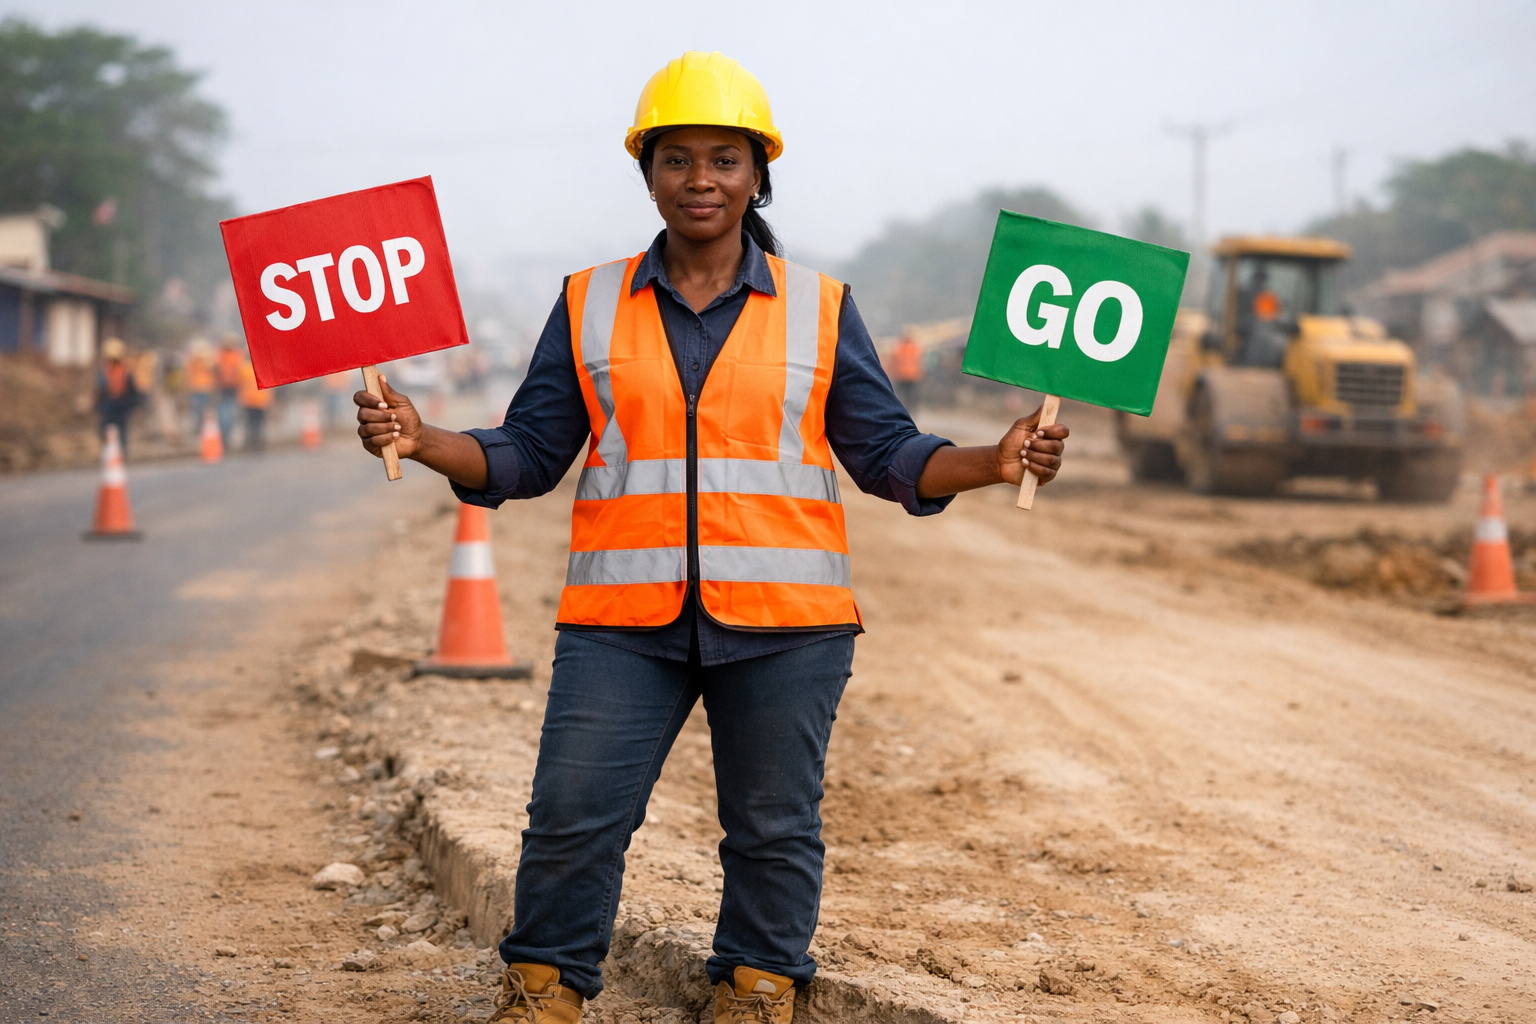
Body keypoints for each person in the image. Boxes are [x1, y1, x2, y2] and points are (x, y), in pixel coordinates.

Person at [355, 51, 1068, 1024]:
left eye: (724, 160)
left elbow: (890, 455)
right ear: (646, 173)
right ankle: (543, 990)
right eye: (678, 159)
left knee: (773, 827)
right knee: (572, 817)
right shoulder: (588, 303)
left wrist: (994, 456)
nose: (701, 180)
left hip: (787, 619)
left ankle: (756, 987)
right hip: (622, 618)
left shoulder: (822, 309)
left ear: (759, 173)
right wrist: (425, 437)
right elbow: (524, 455)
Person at [96, 337, 140, 456]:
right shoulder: (105, 369)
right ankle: (109, 450)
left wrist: (134, 402)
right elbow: (101, 387)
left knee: (121, 427)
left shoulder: (125, 368)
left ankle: (122, 451)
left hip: (121, 401)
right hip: (110, 401)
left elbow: (131, 386)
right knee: (106, 427)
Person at [214, 333, 243, 448]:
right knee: (229, 412)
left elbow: (215, 369)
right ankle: (225, 436)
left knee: (224, 411)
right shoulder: (237, 355)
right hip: (231, 386)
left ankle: (224, 436)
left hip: (225, 386)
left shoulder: (220, 354)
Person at [237, 354, 271, 452]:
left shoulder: (243, 369)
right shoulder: (263, 367)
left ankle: (250, 443)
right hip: (261, 401)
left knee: (250, 423)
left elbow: (238, 383)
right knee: (259, 423)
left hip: (248, 401)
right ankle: (259, 443)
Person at [184, 338, 216, 435]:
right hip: (199, 387)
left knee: (199, 407)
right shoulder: (195, 359)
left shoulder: (203, 359)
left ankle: (200, 425)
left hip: (202, 387)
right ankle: (199, 425)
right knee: (199, 408)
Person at [889, 331, 925, 410]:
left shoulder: (899, 347)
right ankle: (910, 407)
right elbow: (919, 361)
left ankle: (904, 407)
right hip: (912, 375)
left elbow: (894, 360)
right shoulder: (915, 347)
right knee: (911, 394)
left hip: (902, 375)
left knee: (903, 393)